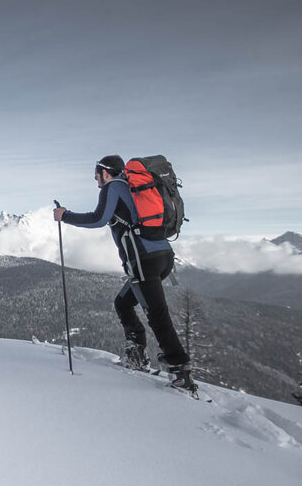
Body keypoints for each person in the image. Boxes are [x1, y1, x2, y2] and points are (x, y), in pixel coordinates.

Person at [53, 155, 196, 392]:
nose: (96, 180)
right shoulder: (133, 187)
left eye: (97, 175)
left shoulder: (114, 187)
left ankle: (180, 370)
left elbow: (99, 219)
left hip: (143, 261)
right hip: (162, 256)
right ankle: (137, 356)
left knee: (157, 315)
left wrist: (65, 216)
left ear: (105, 172)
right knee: (123, 302)